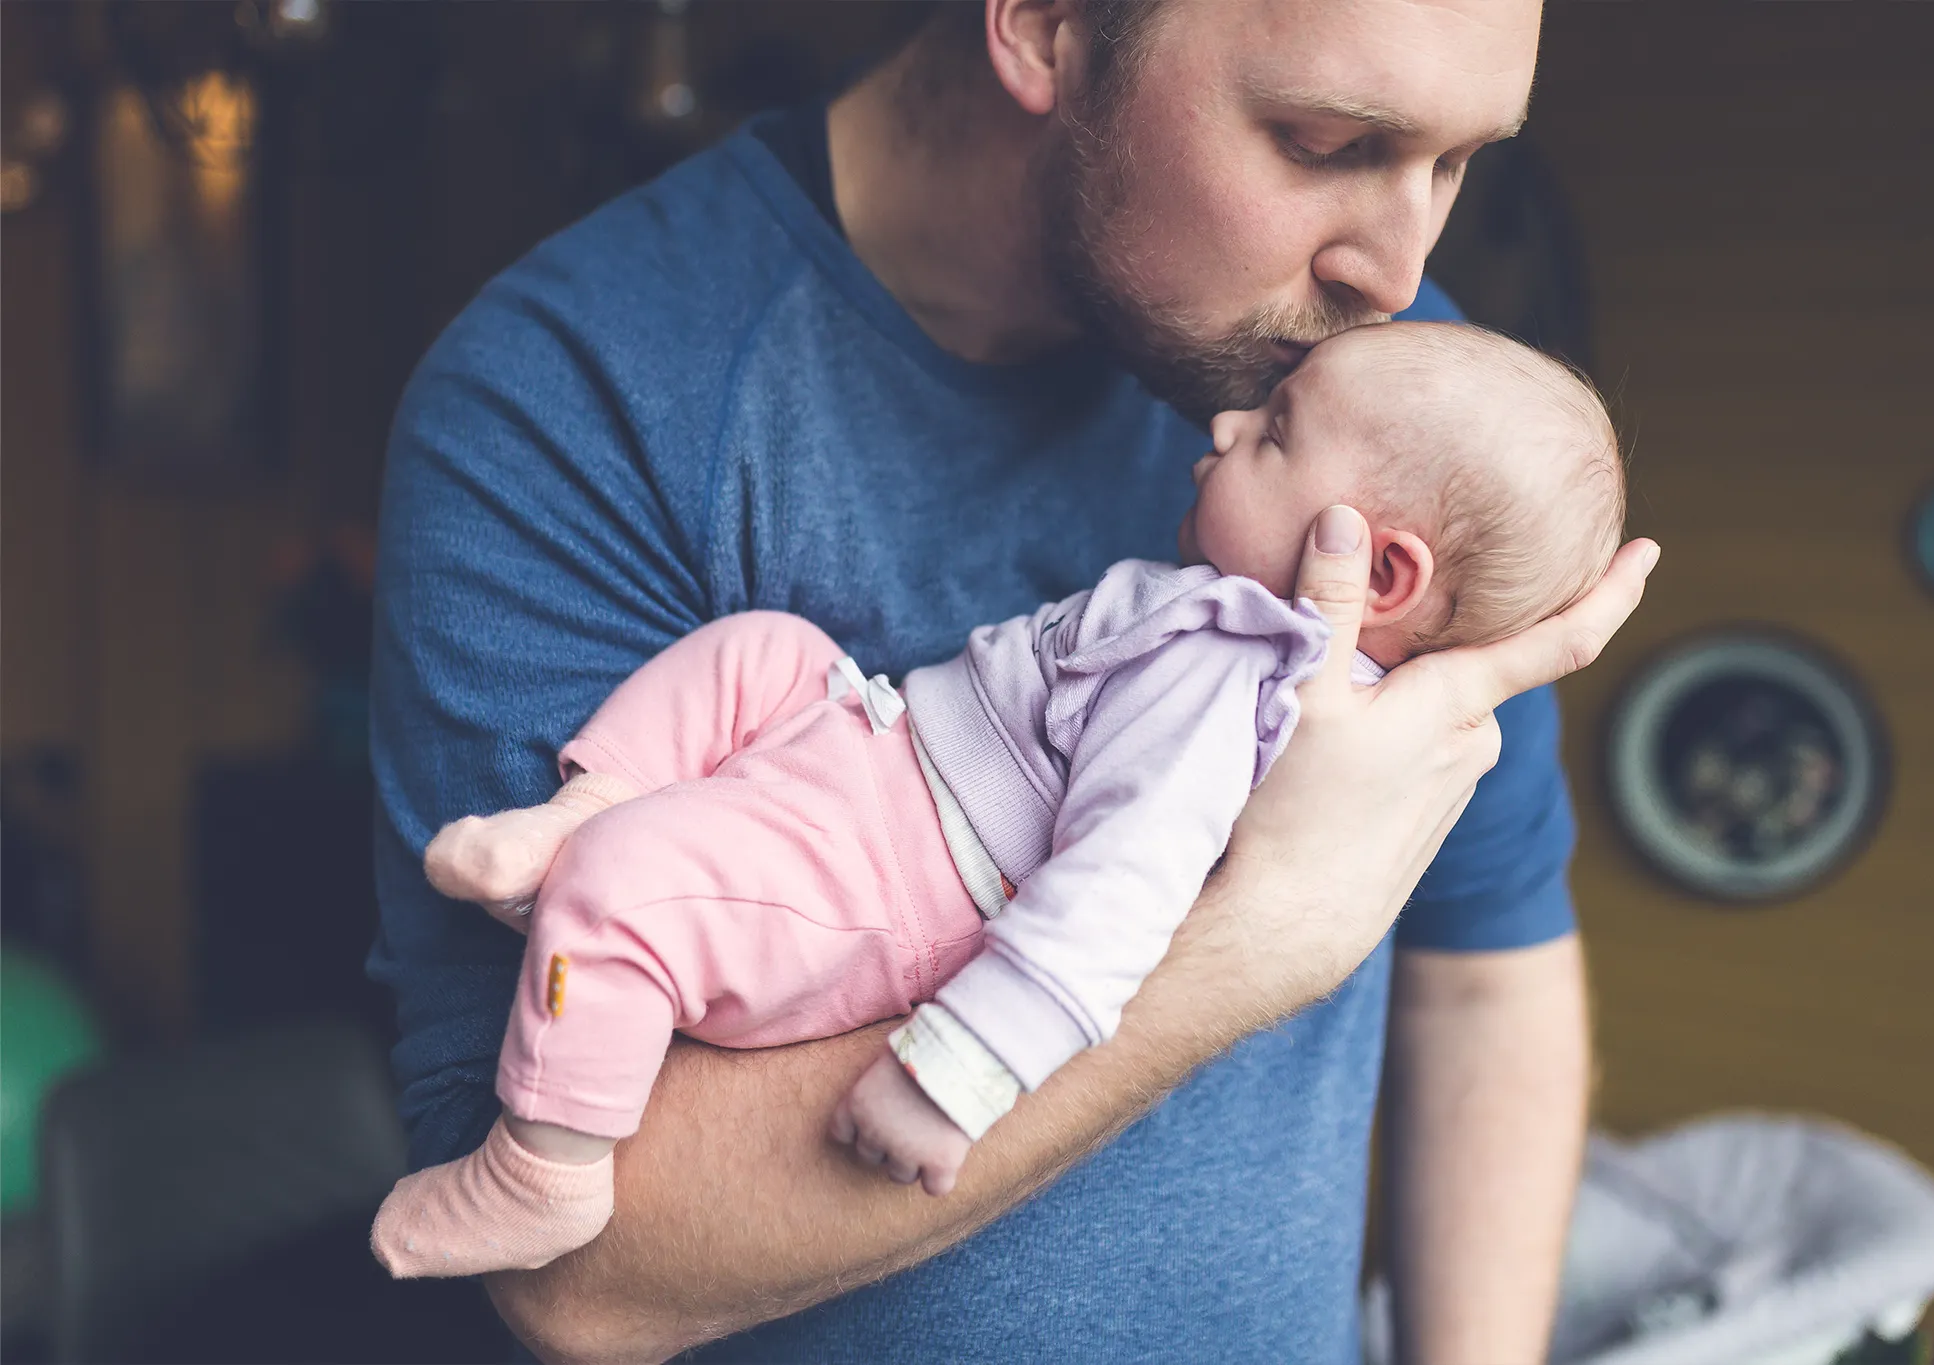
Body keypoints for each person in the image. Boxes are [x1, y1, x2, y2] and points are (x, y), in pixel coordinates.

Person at [366, 1, 1660, 1360]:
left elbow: (1484, 976)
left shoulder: (1387, 407)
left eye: (1458, 166)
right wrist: (1257, 934)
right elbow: (586, 1276)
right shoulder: (580, 397)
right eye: (1326, 142)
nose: (1397, 268)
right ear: (1044, 27)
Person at [369, 320, 1627, 1278]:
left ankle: (546, 1168)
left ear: (1380, 568)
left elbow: (1113, 893)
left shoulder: (1227, 680)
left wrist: (952, 1074)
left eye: (1279, 434)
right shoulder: (1229, 617)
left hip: (904, 875)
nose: (1233, 423)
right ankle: (578, 810)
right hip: (889, 754)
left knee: (624, 893)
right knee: (759, 649)